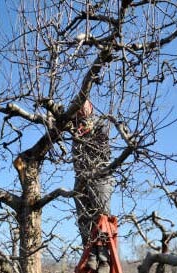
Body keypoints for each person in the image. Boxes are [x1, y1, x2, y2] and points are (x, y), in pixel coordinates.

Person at [72, 100, 116, 273]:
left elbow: (103, 141)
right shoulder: (73, 127)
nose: (81, 109)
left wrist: (87, 127)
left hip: (99, 175)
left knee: (101, 217)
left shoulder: (99, 122)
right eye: (78, 106)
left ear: (90, 107)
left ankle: (104, 260)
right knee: (84, 217)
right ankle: (91, 254)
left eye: (84, 105)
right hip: (80, 177)